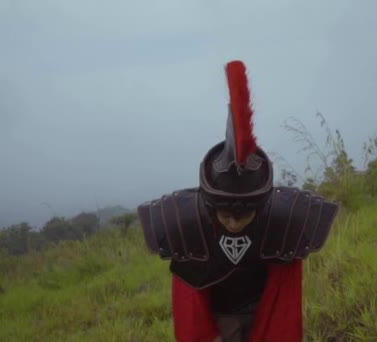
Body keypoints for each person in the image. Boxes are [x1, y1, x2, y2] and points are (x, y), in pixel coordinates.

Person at [137, 60, 339, 342]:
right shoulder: (186, 223)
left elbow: (283, 297)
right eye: (225, 214)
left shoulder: (282, 219)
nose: (233, 222)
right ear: (209, 206)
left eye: (242, 216)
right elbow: (191, 307)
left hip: (261, 312)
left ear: (261, 206)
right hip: (219, 318)